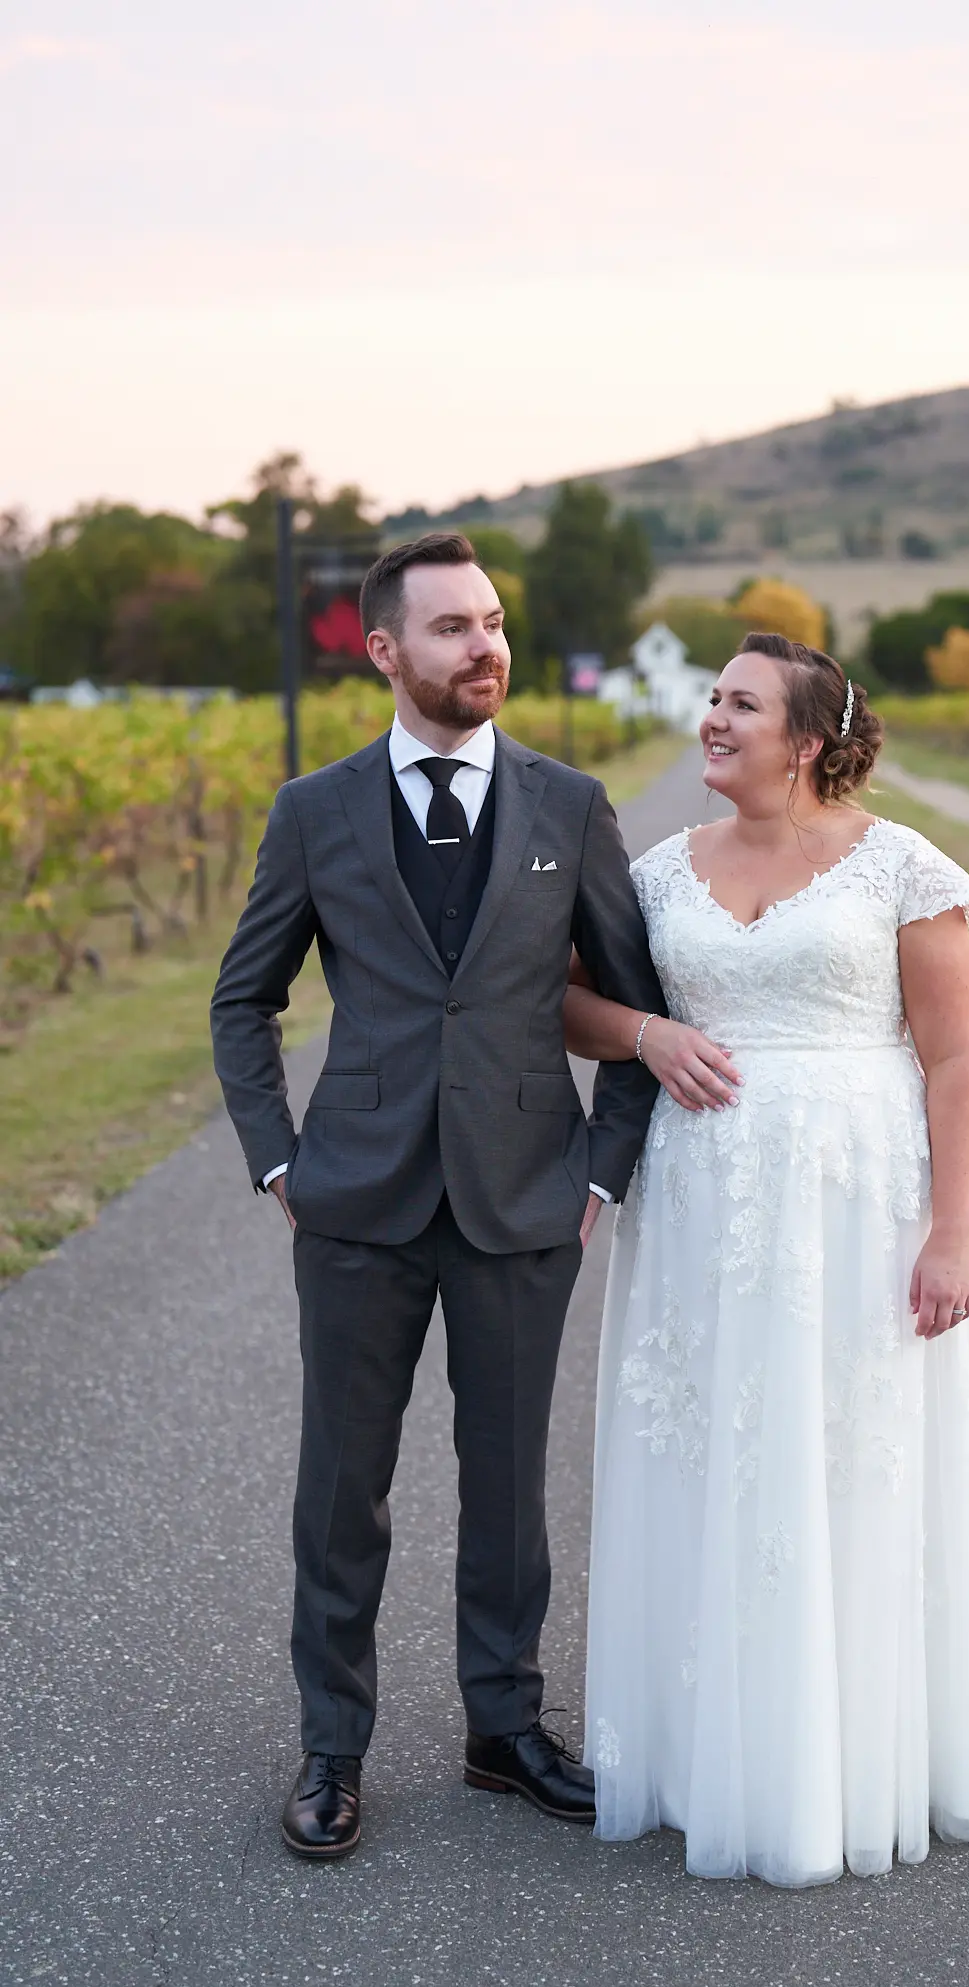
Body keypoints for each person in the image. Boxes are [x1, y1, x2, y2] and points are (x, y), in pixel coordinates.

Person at [564, 633, 969, 1887]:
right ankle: (720, 1751)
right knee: (712, 1454)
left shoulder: (902, 867)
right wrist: (643, 1034)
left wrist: (949, 1228)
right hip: (699, 1204)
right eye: (712, 698)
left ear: (806, 739)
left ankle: (859, 1750)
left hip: (861, 1205)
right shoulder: (658, 872)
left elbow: (954, 1059)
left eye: (739, 702)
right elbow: (567, 998)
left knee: (854, 1454)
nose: (711, 718)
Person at [210, 533, 665, 1860]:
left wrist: (600, 1173)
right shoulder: (314, 812)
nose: (487, 648)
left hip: (527, 1201)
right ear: (384, 650)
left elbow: (635, 1006)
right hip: (352, 1202)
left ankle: (503, 1731)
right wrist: (278, 1158)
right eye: (455, 627)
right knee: (342, 1486)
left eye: (496, 621)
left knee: (508, 1483)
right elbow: (245, 1001)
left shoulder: (569, 804)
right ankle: (332, 1747)